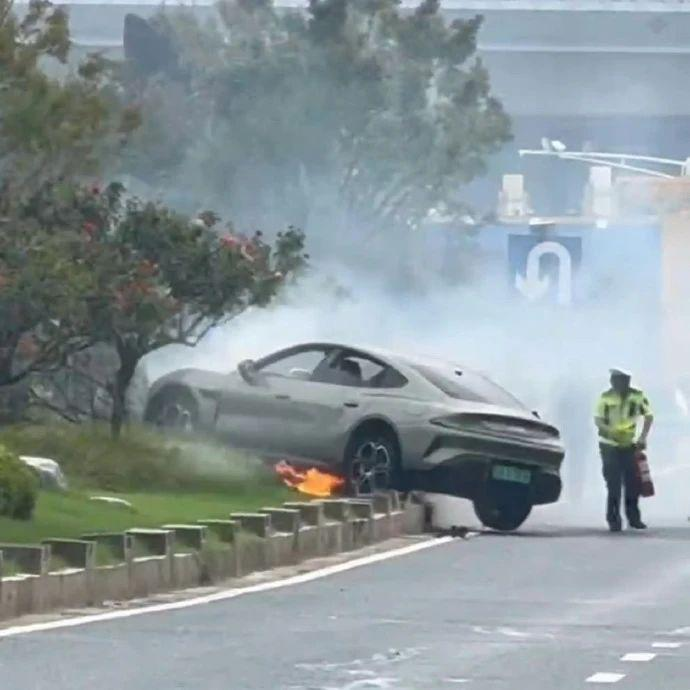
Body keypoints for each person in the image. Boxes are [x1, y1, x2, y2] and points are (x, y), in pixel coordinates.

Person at [594, 368, 654, 532]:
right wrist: (609, 430)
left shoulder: (637, 396)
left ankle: (634, 518)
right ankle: (613, 519)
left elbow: (648, 416)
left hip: (629, 446)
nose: (619, 383)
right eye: (616, 380)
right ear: (612, 381)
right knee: (613, 485)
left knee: (632, 484)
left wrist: (642, 437)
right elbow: (598, 420)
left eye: (623, 380)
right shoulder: (605, 398)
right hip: (609, 445)